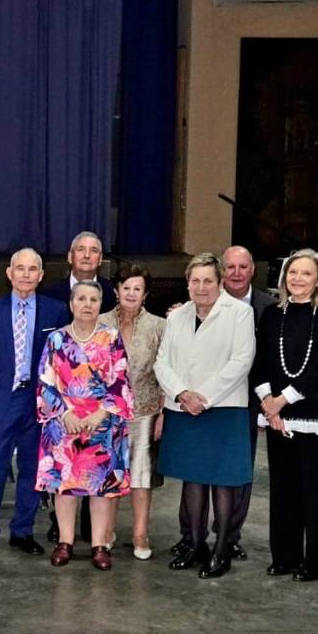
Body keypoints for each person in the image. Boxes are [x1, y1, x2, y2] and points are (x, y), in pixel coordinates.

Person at [172, 245, 278, 560]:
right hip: (193, 402)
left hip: (239, 401)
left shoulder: (265, 307)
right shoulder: (187, 309)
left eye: (242, 267)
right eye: (229, 266)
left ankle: (229, 537)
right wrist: (189, 395)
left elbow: (252, 359)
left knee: (232, 473)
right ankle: (192, 537)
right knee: (194, 471)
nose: (236, 272)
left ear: (252, 270)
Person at [153, 252, 255, 578]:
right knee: (193, 480)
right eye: (195, 280)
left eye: (208, 280)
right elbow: (161, 363)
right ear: (187, 283)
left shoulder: (239, 312)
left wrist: (204, 397)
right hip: (184, 408)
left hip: (223, 409)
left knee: (223, 482)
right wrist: (183, 394)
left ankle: (221, 550)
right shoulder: (176, 316)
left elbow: (241, 361)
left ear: (220, 281)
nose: (201, 286)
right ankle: (196, 546)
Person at [0, 248, 70, 558]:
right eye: (20, 268)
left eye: (32, 269)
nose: (26, 274)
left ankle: (22, 531)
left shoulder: (56, 311)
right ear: (9, 274)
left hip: (39, 403)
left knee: (32, 468)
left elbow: (62, 361)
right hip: (0, 400)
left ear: (41, 276)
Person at [252, 249, 318, 581]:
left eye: (306, 274)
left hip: (312, 412)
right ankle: (285, 556)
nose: (298, 279)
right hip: (276, 413)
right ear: (284, 278)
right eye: (293, 273)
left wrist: (282, 401)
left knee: (312, 488)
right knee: (282, 487)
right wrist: (268, 403)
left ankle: (317, 561)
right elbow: (260, 361)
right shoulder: (273, 315)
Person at [36, 282, 134, 570]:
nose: (87, 304)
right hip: (64, 425)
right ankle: (64, 542)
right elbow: (46, 381)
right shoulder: (56, 340)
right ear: (72, 304)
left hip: (103, 426)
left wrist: (100, 415)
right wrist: (65, 414)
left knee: (100, 488)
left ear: (100, 304)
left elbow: (121, 381)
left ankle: (99, 545)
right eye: (81, 298)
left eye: (93, 299)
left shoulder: (111, 338)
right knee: (65, 486)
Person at [97, 265, 166, 559]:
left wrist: (163, 411)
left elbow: (165, 370)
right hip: (107, 412)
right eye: (126, 287)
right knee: (110, 474)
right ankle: (107, 530)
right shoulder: (99, 322)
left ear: (145, 294)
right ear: (116, 291)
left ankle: (140, 533)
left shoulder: (159, 326)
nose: (131, 293)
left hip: (145, 411)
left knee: (141, 476)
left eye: (137, 288)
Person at [39, 230, 117, 312]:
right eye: (81, 249)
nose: (87, 255)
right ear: (70, 257)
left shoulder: (113, 293)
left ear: (100, 259)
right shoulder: (50, 295)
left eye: (93, 250)